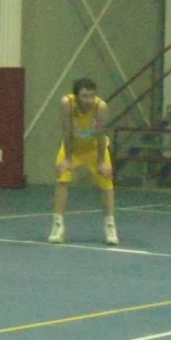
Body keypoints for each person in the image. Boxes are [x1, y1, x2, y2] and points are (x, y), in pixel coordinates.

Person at [49, 77, 118, 246]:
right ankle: (58, 225)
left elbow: (101, 134)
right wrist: (67, 158)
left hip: (95, 148)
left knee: (106, 182)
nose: (88, 100)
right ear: (76, 96)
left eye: (92, 96)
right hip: (73, 148)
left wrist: (102, 161)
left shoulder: (100, 107)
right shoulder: (67, 104)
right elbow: (66, 131)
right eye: (85, 96)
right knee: (62, 179)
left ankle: (110, 225)